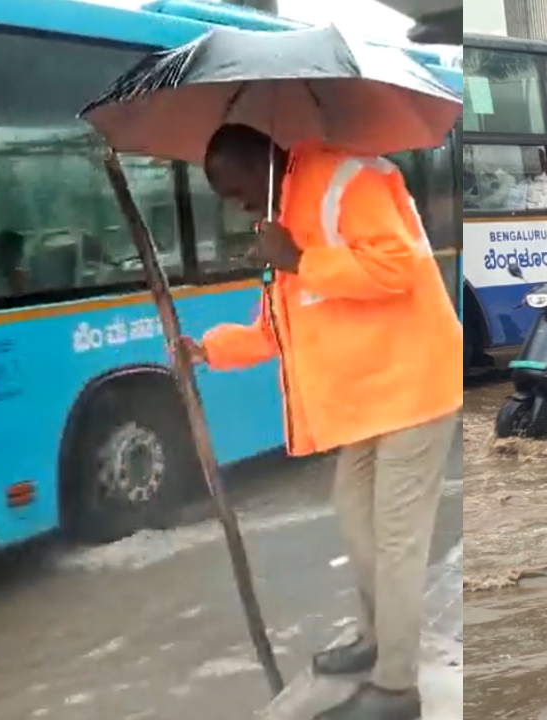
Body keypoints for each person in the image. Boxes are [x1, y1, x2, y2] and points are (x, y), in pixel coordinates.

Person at [180, 123, 461, 720]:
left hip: (415, 385)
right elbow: (276, 327)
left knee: (395, 540)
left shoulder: (349, 178)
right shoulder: (282, 217)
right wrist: (207, 350)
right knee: (358, 525)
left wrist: (302, 258)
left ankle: (395, 688)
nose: (238, 207)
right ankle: (376, 638)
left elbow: (396, 269)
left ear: (262, 163)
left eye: (236, 191)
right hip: (367, 403)